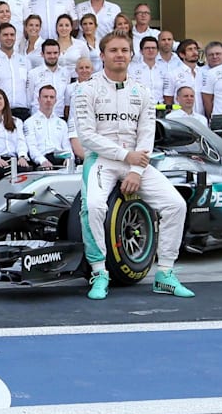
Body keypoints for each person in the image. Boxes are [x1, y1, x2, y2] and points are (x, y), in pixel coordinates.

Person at [75, 32, 192, 301]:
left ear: (131, 55)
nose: (119, 54)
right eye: (113, 50)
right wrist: (126, 156)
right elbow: (87, 136)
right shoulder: (86, 89)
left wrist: (136, 170)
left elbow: (147, 134)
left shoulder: (143, 92)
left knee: (176, 205)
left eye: (124, 50)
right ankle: (99, 272)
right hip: (101, 160)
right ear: (102, 55)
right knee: (92, 206)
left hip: (137, 161)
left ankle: (164, 274)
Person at [24, 85, 72, 168]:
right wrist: (43, 161)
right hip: (42, 161)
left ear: (55, 100)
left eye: (52, 97)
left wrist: (69, 159)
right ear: (38, 99)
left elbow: (67, 146)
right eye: (45, 97)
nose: (48, 100)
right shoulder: (29, 122)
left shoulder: (62, 123)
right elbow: (32, 148)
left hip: (61, 160)